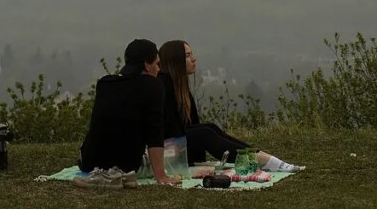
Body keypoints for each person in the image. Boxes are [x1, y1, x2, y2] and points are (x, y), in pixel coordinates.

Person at [158, 40, 303, 172]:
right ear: (175, 60)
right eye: (187, 55)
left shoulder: (180, 87)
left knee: (210, 127)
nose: (193, 59)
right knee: (205, 132)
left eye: (192, 54)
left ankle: (260, 157)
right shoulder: (164, 85)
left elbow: (192, 124)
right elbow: (171, 130)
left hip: (177, 146)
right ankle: (262, 161)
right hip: (165, 151)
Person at [78, 39, 179, 186]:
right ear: (146, 65)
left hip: (90, 161)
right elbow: (154, 131)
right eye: (157, 64)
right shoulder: (153, 86)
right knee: (173, 157)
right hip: (126, 164)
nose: (159, 69)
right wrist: (161, 176)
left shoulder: (105, 83)